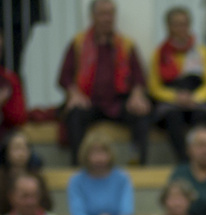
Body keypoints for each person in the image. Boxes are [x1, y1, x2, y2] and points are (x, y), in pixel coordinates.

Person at [58, 0, 152, 166]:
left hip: (118, 102)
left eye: (111, 14)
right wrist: (74, 94)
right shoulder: (78, 43)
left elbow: (139, 78)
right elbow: (64, 78)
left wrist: (137, 95)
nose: (107, 18)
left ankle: (136, 161)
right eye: (102, 13)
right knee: (74, 114)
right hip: (88, 102)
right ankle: (78, 164)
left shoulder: (126, 44)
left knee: (141, 114)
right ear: (92, 16)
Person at [148, 6, 206, 162]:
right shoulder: (159, 54)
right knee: (172, 117)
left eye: (185, 23)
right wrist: (176, 97)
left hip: (197, 100)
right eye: (176, 24)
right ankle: (184, 160)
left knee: (201, 116)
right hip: (171, 102)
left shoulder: (202, 52)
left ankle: (202, 159)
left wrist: (195, 97)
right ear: (168, 27)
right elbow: (154, 86)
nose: (181, 28)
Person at [67, 134, 133, 215]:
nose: (99, 157)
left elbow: (126, 212)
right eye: (94, 153)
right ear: (86, 155)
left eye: (103, 152)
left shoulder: (122, 178)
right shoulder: (76, 181)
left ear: (110, 154)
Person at [0, 131, 47, 215]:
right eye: (16, 148)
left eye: (24, 148)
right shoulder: (2, 177)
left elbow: (47, 204)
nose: (21, 153)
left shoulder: (37, 176)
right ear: (6, 151)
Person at [0, 30, 25, 138]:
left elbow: (19, 117)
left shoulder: (9, 79)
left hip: (4, 138)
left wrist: (3, 105)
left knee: (19, 146)